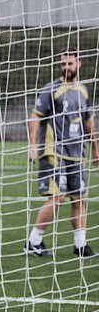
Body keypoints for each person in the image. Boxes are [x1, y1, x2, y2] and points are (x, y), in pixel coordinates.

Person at [25, 50, 98, 258]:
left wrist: (95, 149)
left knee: (79, 199)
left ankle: (80, 245)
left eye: (70, 63)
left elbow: (88, 122)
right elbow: (35, 116)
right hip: (54, 152)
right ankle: (33, 242)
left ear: (78, 64)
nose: (66, 68)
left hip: (77, 155)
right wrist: (32, 145)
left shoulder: (83, 91)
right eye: (63, 64)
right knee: (57, 198)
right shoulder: (52, 89)